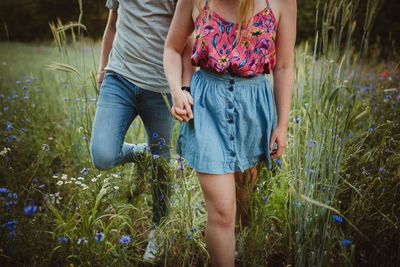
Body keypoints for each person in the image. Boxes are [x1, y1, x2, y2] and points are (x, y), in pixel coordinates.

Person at [164, 0, 296, 265]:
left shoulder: (281, 2)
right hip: (208, 107)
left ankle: (239, 246)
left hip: (254, 109)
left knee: (243, 202)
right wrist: (178, 91)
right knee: (223, 211)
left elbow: (283, 65)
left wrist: (282, 125)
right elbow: (171, 47)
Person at [89, 0, 195, 262]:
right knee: (102, 155)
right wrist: (103, 70)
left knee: (161, 168)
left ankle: (158, 232)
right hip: (119, 79)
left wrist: (183, 88)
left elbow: (188, 39)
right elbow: (112, 24)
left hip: (160, 89)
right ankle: (143, 153)